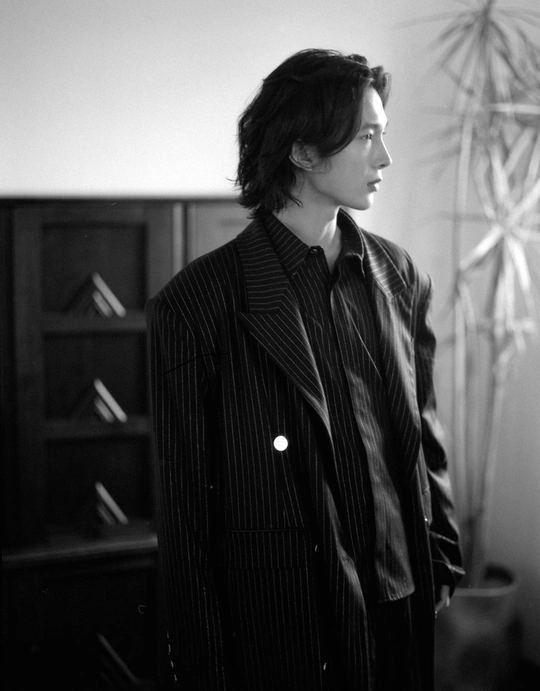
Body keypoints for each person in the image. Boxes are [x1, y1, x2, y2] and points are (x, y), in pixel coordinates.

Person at [147, 48, 464, 691]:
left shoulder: (400, 275)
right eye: (366, 137)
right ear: (302, 151)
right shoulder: (198, 304)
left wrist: (442, 557)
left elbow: (423, 433)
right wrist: (203, 661)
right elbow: (185, 514)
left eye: (383, 134)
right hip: (285, 618)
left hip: (400, 600)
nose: (385, 157)